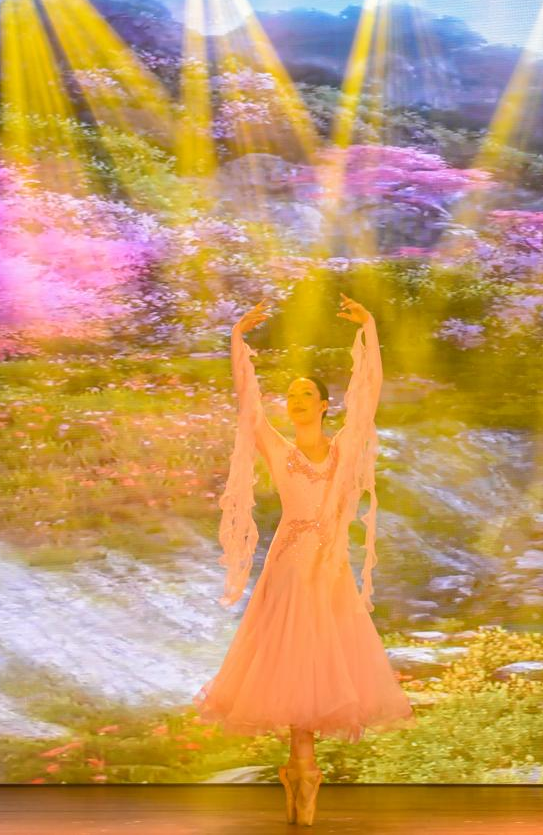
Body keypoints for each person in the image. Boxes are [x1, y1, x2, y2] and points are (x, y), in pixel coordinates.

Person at [196, 296, 413, 826]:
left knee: (320, 661)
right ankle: (302, 770)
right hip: (291, 566)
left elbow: (369, 397)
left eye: (306, 394)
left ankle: (301, 770)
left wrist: (369, 329)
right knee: (295, 658)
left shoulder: (343, 449)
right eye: (290, 394)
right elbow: (247, 403)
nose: (295, 400)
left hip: (328, 568)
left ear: (324, 405)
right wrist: (237, 340)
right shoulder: (278, 448)